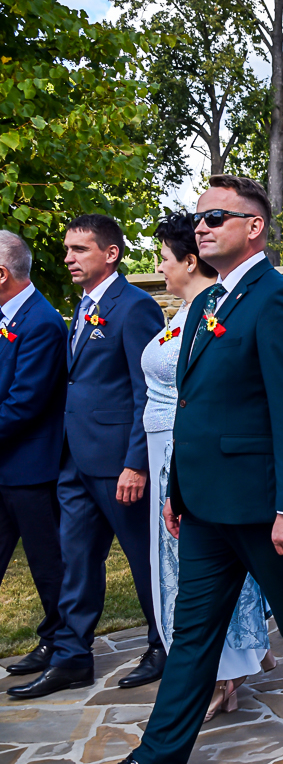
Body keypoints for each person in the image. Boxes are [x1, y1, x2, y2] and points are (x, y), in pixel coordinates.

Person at [123, 175, 283, 764]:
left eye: (216, 217)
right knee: (193, 634)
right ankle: (157, 753)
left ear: (254, 227)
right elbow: (190, 407)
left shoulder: (279, 299)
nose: (201, 226)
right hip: (201, 504)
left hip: (261, 504)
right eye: (199, 218)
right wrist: (176, 489)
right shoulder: (204, 304)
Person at [9, 215, 166, 700]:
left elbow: (147, 390)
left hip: (119, 463)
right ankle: (72, 656)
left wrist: (136, 463)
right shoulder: (83, 306)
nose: (68, 258)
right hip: (74, 459)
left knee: (144, 561)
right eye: (67, 249)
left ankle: (163, 644)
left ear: (111, 253)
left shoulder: (135, 307)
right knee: (76, 562)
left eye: (79, 249)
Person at [140, 212, 273, 724]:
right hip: (162, 450)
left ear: (190, 262)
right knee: (179, 566)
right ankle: (224, 661)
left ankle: (226, 670)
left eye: (164, 259)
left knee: (203, 565)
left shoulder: (215, 315)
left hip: (191, 450)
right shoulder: (183, 314)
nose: (159, 268)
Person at [0, 232, 68, 678]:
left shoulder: (41, 322)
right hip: (5, 464)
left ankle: (59, 644)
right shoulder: (7, 317)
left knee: (48, 566)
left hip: (31, 468)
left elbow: (25, 403)